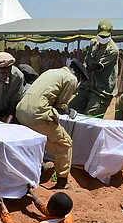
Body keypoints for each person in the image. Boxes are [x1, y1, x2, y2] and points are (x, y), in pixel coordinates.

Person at [15, 59, 88, 190]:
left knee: (38, 141)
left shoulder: (51, 72)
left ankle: (37, 168)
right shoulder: (71, 79)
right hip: (38, 115)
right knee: (65, 143)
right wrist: (70, 111)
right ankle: (62, 182)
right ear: (79, 75)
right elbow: (60, 107)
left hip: (21, 112)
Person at [69, 20, 119, 117]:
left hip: (101, 92)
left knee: (90, 118)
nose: (103, 38)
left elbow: (96, 66)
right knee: (71, 110)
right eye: (101, 36)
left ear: (111, 34)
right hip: (87, 86)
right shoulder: (93, 43)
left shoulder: (113, 49)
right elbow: (87, 62)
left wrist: (80, 72)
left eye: (105, 36)